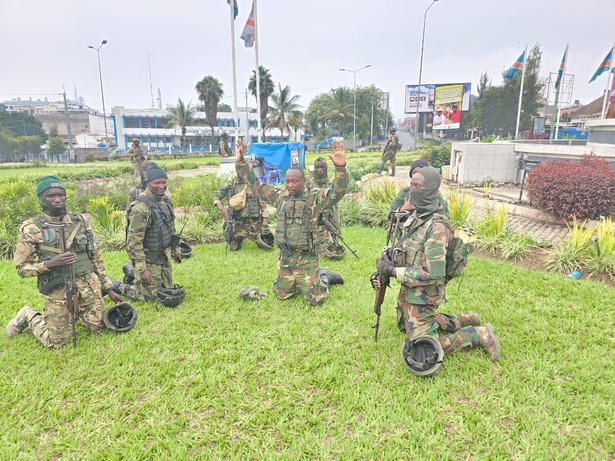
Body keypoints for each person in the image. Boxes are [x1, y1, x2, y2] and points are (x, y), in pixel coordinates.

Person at [372, 166, 500, 368]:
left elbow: (431, 274)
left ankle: (477, 334)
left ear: (431, 189)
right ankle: (461, 319)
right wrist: (388, 261)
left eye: (418, 186)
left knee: (420, 348)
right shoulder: (418, 216)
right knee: (402, 327)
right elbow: (408, 250)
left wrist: (393, 271)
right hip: (410, 289)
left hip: (424, 294)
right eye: (412, 185)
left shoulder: (437, 227)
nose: (413, 190)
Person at [7, 176, 123, 347]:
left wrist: (108, 287)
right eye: (51, 196)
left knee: (96, 327)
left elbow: (96, 256)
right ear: (41, 198)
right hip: (58, 288)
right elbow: (22, 269)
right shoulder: (32, 228)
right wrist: (50, 264)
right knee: (57, 342)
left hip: (87, 285)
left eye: (61, 195)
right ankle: (27, 315)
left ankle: (76, 313)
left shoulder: (81, 222)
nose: (57, 200)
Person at [235, 138, 347, 306]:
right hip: (286, 256)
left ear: (303, 181)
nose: (290, 185)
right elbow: (256, 186)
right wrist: (241, 161)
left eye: (294, 181)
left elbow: (337, 192)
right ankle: (297, 281)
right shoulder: (280, 197)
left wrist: (340, 168)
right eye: (287, 181)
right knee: (282, 295)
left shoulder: (314, 198)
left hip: (306, 257)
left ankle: (324, 277)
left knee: (316, 300)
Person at [118, 162, 182, 302]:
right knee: (152, 297)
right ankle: (118, 286)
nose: (161, 186)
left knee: (167, 290)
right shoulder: (140, 208)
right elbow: (134, 243)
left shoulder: (165, 201)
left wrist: (175, 250)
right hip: (148, 257)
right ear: (147, 183)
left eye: (164, 183)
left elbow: (170, 227)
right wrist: (142, 269)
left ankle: (131, 271)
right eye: (157, 183)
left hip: (163, 255)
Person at [213, 167, 271, 251]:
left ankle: (257, 236)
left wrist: (265, 223)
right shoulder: (232, 184)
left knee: (266, 245)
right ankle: (236, 237)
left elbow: (264, 205)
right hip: (238, 223)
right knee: (233, 248)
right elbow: (217, 196)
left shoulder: (256, 184)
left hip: (254, 223)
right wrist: (221, 208)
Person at [308, 157, 344, 259]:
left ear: (326, 169)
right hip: (313, 222)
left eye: (322, 167)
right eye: (317, 167)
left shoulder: (331, 185)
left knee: (331, 250)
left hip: (328, 222)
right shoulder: (309, 185)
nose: (319, 170)